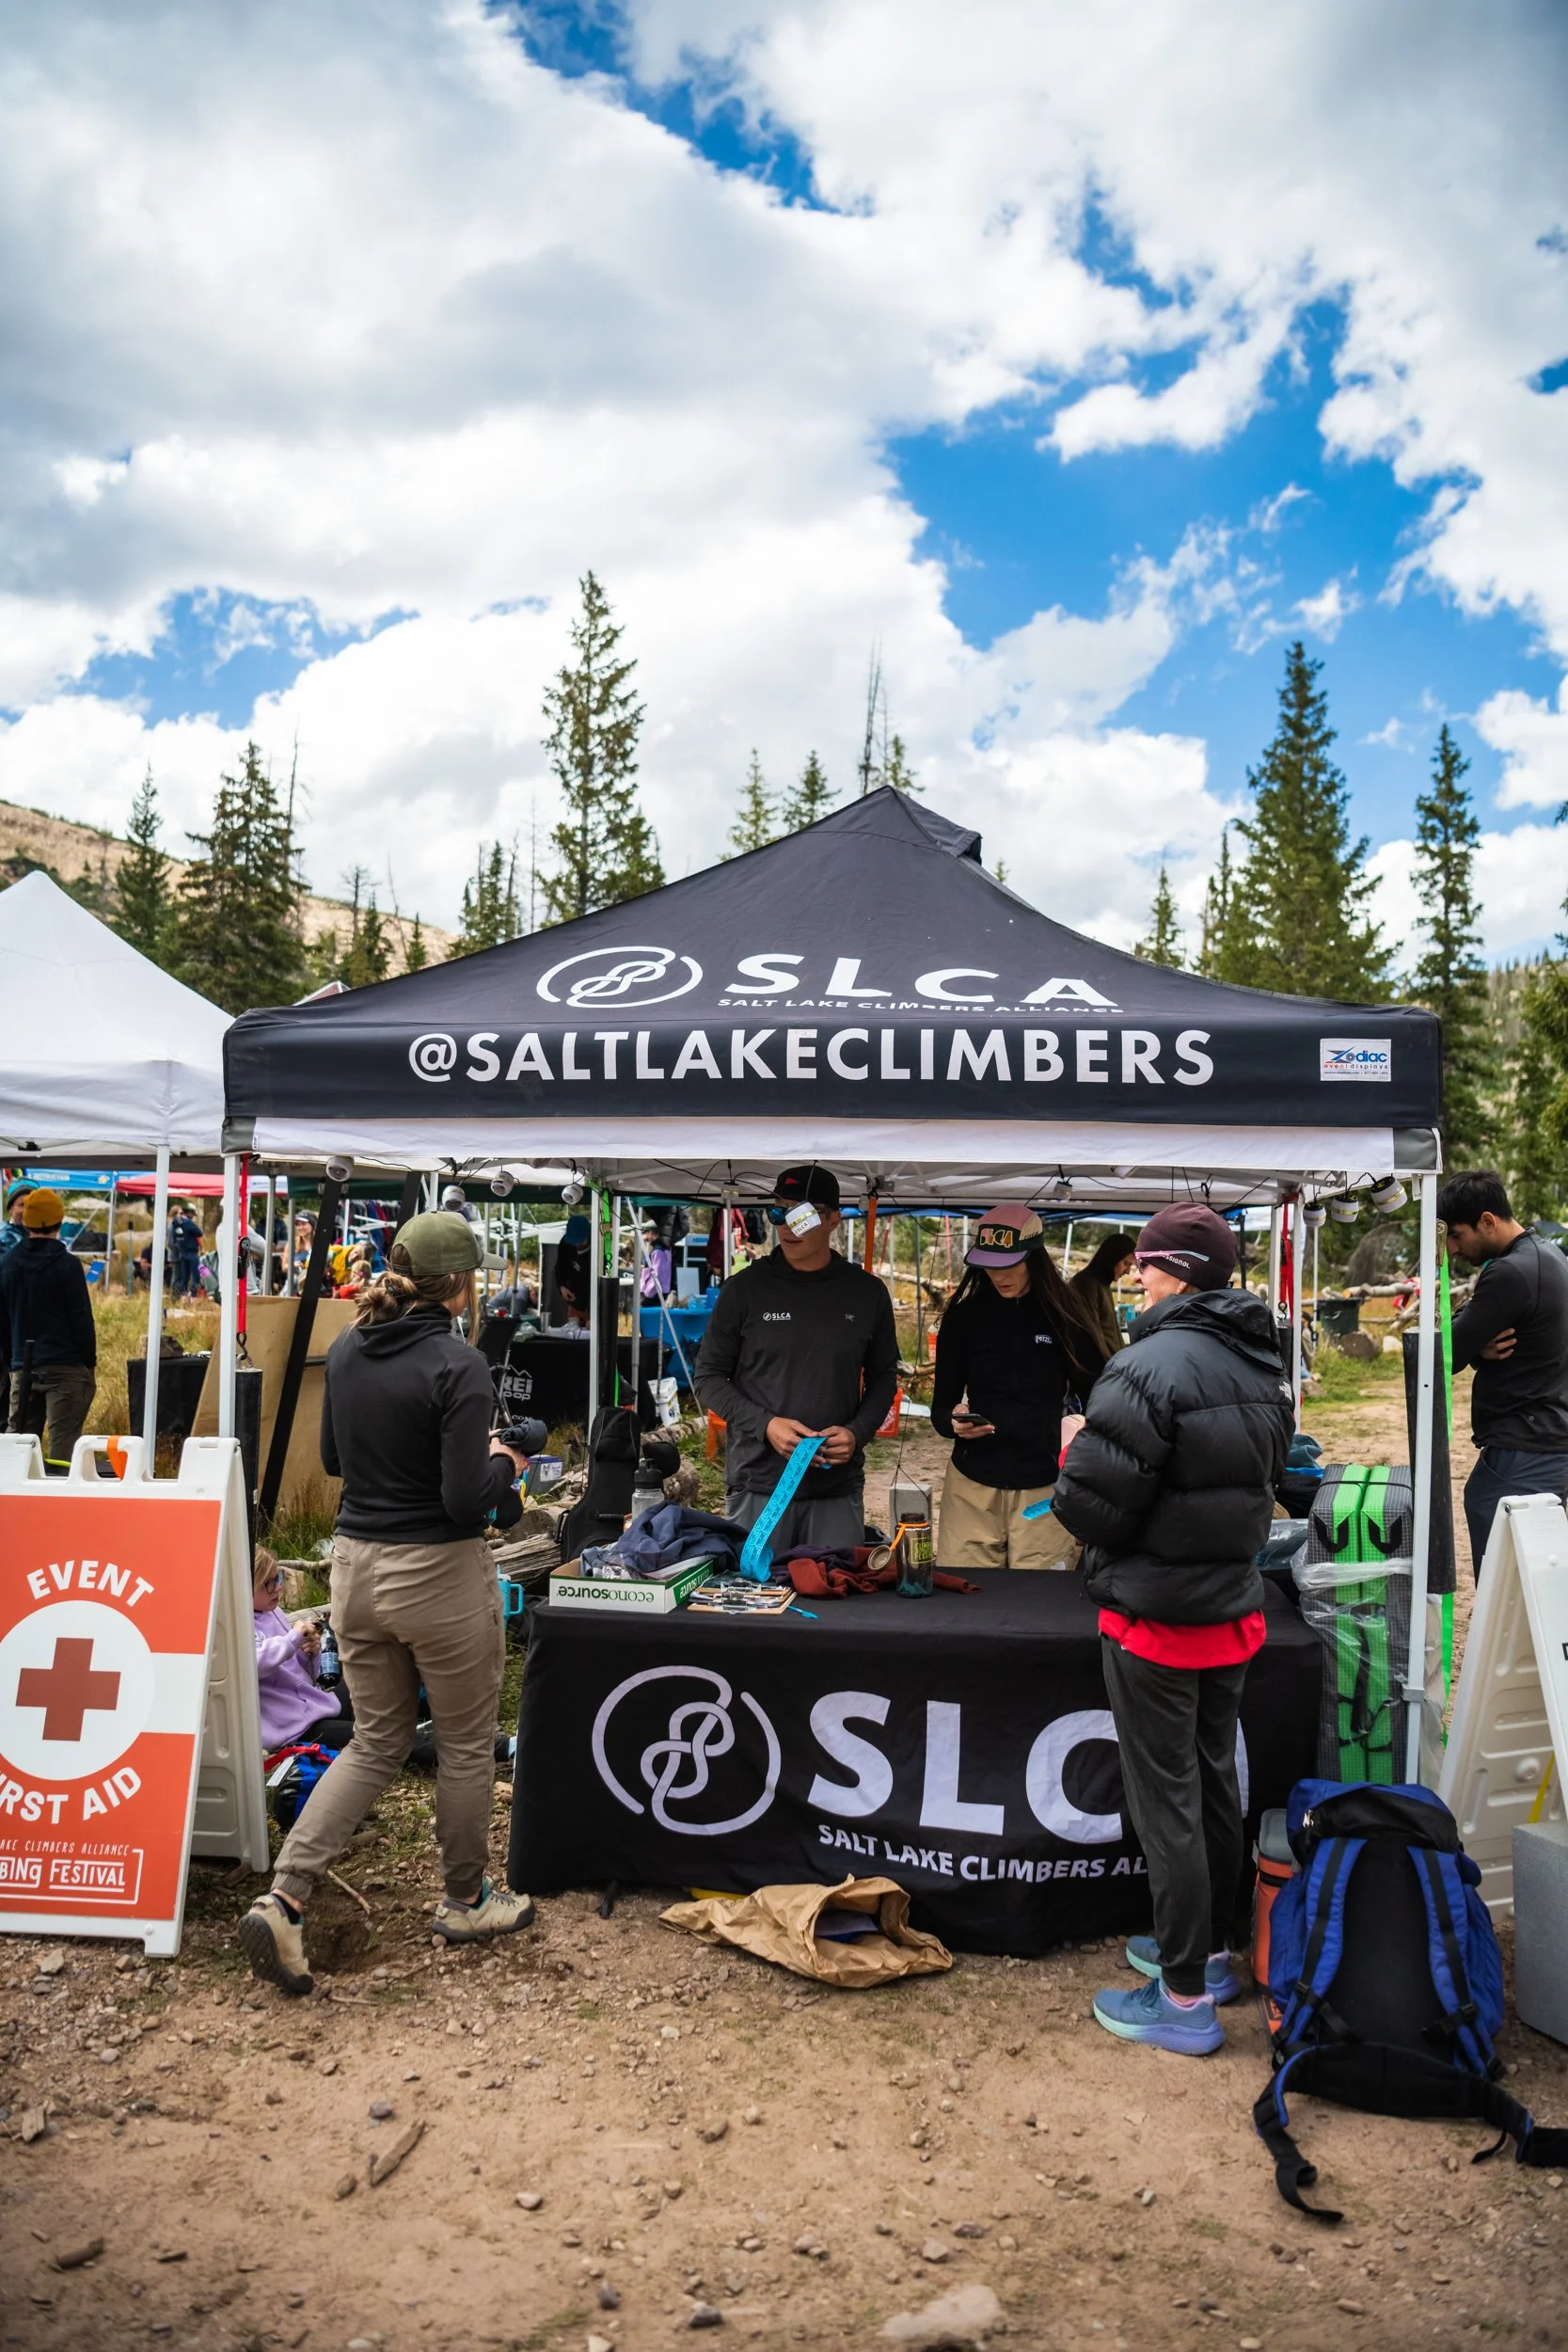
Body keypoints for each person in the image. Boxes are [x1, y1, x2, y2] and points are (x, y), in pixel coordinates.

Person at [239, 1211, 534, 1998]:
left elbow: (335, 1457)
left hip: (354, 1567)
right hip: (436, 1571)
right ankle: (466, 1900)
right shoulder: (459, 1362)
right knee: (465, 1745)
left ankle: (284, 1897)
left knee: (375, 1742)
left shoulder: (348, 1345)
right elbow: (466, 1499)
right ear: (463, 1284)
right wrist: (506, 1462)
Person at [1051, 1203, 1294, 2057]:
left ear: (1176, 1274)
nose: (1135, 1279)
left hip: (1155, 1618)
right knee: (1212, 1784)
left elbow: (1091, 1508)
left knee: (1169, 1806)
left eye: (1146, 1266)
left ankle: (1184, 1995)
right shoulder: (1260, 1361)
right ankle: (1213, 1956)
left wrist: (1071, 1448)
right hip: (1228, 1608)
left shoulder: (1144, 1367)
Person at [694, 1164, 899, 1553]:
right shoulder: (744, 1290)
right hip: (759, 1485)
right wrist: (766, 1425)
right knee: (755, 1591)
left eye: (803, 1215)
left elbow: (884, 1376)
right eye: (779, 1212)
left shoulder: (866, 1293)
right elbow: (708, 1378)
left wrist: (857, 1432)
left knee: (836, 1588)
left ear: (834, 1220)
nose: (788, 1226)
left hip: (836, 1487)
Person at [931, 1202, 1106, 1569]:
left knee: (1037, 1596)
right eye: (989, 1266)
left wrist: (1081, 1440)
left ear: (1034, 1257)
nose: (999, 1276)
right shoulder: (963, 1318)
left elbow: (1099, 1397)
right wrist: (954, 1421)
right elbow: (941, 1410)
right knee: (968, 1591)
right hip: (972, 1486)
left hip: (1043, 1486)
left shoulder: (1066, 1317)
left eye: (1010, 1264)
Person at [1439, 1170, 1568, 1575]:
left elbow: (1446, 1350)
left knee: (1508, 1578)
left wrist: (1472, 1346)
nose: (1452, 1248)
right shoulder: (1550, 1257)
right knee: (1536, 1572)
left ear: (1487, 1221)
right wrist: (1478, 1347)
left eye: (1456, 1234)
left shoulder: (1509, 1272)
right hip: (1547, 1437)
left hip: (1524, 1446)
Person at [0, 1187, 98, 1465]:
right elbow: (81, 1319)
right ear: (59, 1220)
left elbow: (3, 1322)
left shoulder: (6, 1263)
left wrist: (12, 1361)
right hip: (66, 1367)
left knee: (17, 1451)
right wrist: (88, 1363)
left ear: (26, 1220)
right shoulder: (68, 1266)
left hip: (23, 1366)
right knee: (63, 1450)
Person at [252, 1546, 354, 1754]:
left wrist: (310, 1654)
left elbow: (305, 1677)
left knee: (371, 1679)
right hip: (295, 1730)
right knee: (377, 1738)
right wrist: (293, 1639)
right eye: (268, 1583)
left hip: (314, 1707)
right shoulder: (236, 1626)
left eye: (278, 1578)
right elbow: (253, 1663)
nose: (278, 1587)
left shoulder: (273, 1612)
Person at [1070, 1230, 1135, 1359]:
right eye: (1125, 1264)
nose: (1128, 1271)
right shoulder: (1086, 1284)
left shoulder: (1102, 1284)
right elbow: (1092, 1338)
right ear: (1112, 1258)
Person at [168, 1202, 203, 1300]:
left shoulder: (175, 1224)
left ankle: (182, 1297)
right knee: (194, 1276)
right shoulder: (186, 1223)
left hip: (182, 1254)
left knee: (184, 1277)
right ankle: (192, 1297)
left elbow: (175, 1240)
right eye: (181, 1213)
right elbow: (199, 1233)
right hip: (188, 1253)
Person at [0, 1181, 34, 1258]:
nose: (27, 1210)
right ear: (10, 1209)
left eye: (32, 1205)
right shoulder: (4, 1238)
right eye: (22, 1205)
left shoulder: (40, 1232)